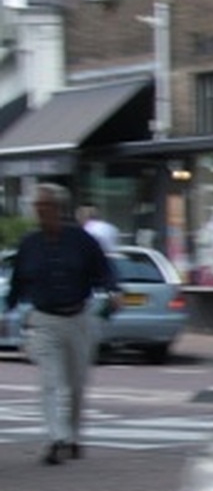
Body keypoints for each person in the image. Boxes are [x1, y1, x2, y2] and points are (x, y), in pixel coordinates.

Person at [4, 183, 121, 464]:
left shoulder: (81, 240)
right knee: (50, 381)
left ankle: (74, 436)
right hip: (44, 320)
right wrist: (6, 313)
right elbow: (18, 283)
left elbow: (103, 271)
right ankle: (57, 438)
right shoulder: (29, 244)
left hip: (78, 317)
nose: (40, 212)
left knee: (76, 383)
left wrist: (113, 291)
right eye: (37, 207)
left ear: (58, 208)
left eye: (45, 206)